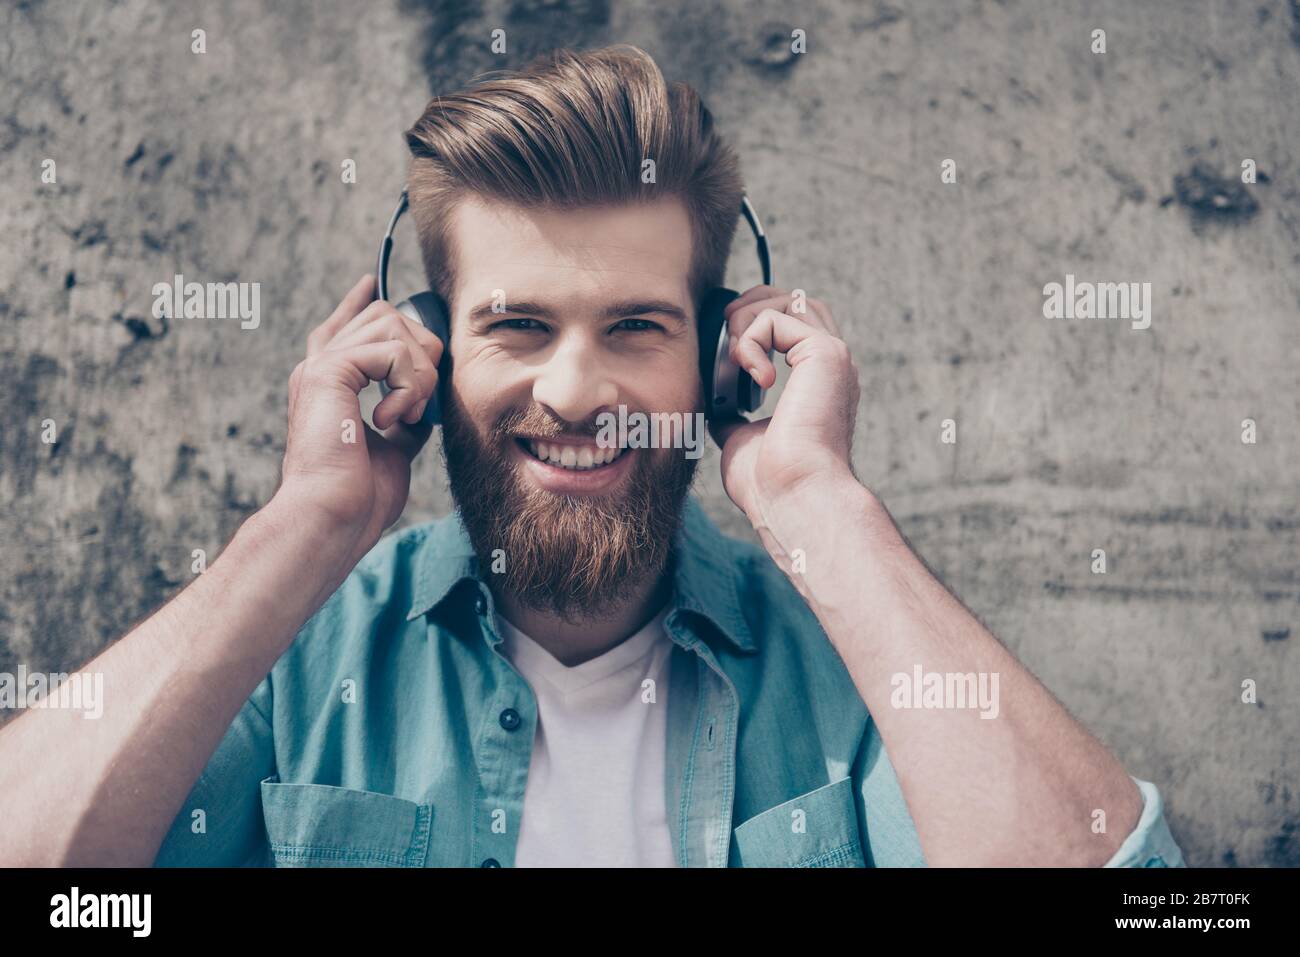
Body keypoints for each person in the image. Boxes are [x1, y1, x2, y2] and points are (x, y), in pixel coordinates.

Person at [0, 45, 1184, 868]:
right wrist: (307, 520)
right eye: (517, 326)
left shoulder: (849, 672)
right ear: (430, 348)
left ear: (722, 350)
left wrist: (814, 499)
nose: (574, 392)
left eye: (635, 326)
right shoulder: (298, 662)